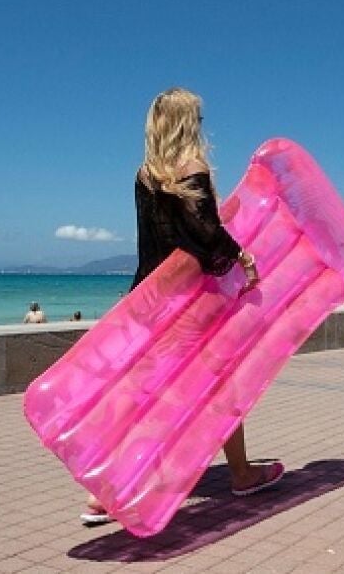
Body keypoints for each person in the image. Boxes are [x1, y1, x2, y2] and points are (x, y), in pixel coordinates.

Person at [80, 86, 280, 526]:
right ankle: (242, 473)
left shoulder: (145, 175)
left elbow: (159, 242)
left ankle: (106, 490)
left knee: (143, 393)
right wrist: (244, 257)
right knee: (220, 386)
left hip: (150, 299)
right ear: (187, 124)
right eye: (199, 120)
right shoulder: (193, 169)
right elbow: (205, 233)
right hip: (193, 302)